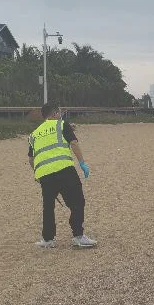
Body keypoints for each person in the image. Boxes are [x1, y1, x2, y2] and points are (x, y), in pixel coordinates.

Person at [28, 103, 97, 248]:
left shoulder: (34, 134)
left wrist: (38, 173)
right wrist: (82, 163)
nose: (60, 115)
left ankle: (48, 240)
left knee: (48, 207)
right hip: (64, 169)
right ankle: (78, 236)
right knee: (77, 201)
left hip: (45, 174)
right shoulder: (61, 125)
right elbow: (73, 143)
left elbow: (31, 159)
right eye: (59, 113)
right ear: (55, 114)